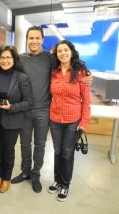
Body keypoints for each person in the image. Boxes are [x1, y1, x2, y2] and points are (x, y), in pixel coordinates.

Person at [11, 26, 92, 193]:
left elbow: (71, 64)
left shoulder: (50, 58)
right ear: (26, 40)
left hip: (43, 110)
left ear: (42, 40)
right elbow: (3, 65)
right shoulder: (20, 59)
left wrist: (87, 76)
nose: (34, 41)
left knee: (40, 145)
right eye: (30, 38)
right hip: (24, 110)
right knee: (25, 143)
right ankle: (25, 171)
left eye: (37, 38)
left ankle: (35, 175)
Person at [0, 45, 32, 193]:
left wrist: (11, 107)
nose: (5, 60)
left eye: (8, 57)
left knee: (8, 150)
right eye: (2, 57)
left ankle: (6, 178)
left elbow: (28, 102)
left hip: (12, 119)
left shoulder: (22, 77)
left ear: (14, 59)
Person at [48, 40, 91, 202]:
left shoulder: (81, 73)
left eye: (66, 50)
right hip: (55, 119)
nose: (63, 53)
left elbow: (86, 100)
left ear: (71, 52)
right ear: (56, 54)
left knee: (67, 152)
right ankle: (57, 180)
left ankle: (65, 184)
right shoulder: (53, 72)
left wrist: (84, 122)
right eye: (59, 51)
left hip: (73, 119)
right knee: (57, 151)